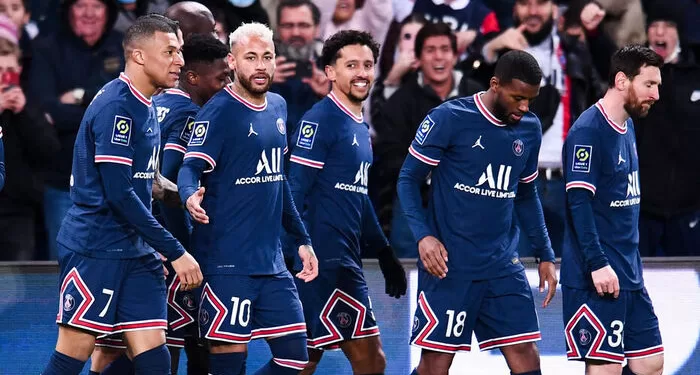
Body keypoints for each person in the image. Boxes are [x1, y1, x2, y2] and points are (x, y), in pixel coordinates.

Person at [41, 15, 203, 375]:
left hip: (135, 251)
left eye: (180, 51)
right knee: (74, 354)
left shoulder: (145, 102)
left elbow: (144, 180)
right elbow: (119, 194)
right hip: (95, 248)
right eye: (170, 51)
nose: (180, 60)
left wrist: (181, 195)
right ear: (139, 56)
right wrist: (175, 250)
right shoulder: (118, 107)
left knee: (153, 357)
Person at [397, 50, 557, 375]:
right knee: (435, 365)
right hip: (449, 267)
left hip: (502, 264)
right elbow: (407, 179)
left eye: (531, 99)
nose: (524, 107)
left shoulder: (529, 128)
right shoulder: (449, 118)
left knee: (526, 354)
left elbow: (526, 194)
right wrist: (424, 236)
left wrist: (544, 254)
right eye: (517, 98)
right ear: (495, 84)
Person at [177, 22, 319, 375]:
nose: (260, 65)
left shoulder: (280, 107)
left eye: (267, 57)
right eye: (250, 57)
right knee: (228, 366)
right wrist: (188, 195)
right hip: (227, 264)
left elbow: (278, 180)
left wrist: (301, 240)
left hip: (273, 265)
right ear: (232, 62)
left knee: (295, 359)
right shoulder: (219, 111)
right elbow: (189, 166)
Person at [89, 33, 230, 375]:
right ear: (194, 77)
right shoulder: (189, 114)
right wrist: (179, 248)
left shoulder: (156, 103)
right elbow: (162, 178)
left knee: (135, 348)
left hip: (142, 244)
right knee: (174, 342)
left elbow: (148, 180)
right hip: (161, 250)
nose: (228, 84)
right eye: (222, 76)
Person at [285, 29, 407, 375]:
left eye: (367, 65)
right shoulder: (320, 120)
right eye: (351, 65)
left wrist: (383, 252)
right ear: (330, 72)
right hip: (318, 262)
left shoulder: (358, 126)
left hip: (345, 261)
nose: (362, 73)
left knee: (366, 361)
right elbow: (294, 191)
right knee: (307, 361)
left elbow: (356, 193)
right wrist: (298, 250)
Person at [561, 44, 665, 375]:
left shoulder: (628, 126)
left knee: (650, 364)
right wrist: (598, 264)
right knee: (605, 369)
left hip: (629, 272)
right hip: (598, 275)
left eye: (657, 85)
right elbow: (579, 203)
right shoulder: (589, 131)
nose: (656, 94)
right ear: (622, 81)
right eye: (649, 84)